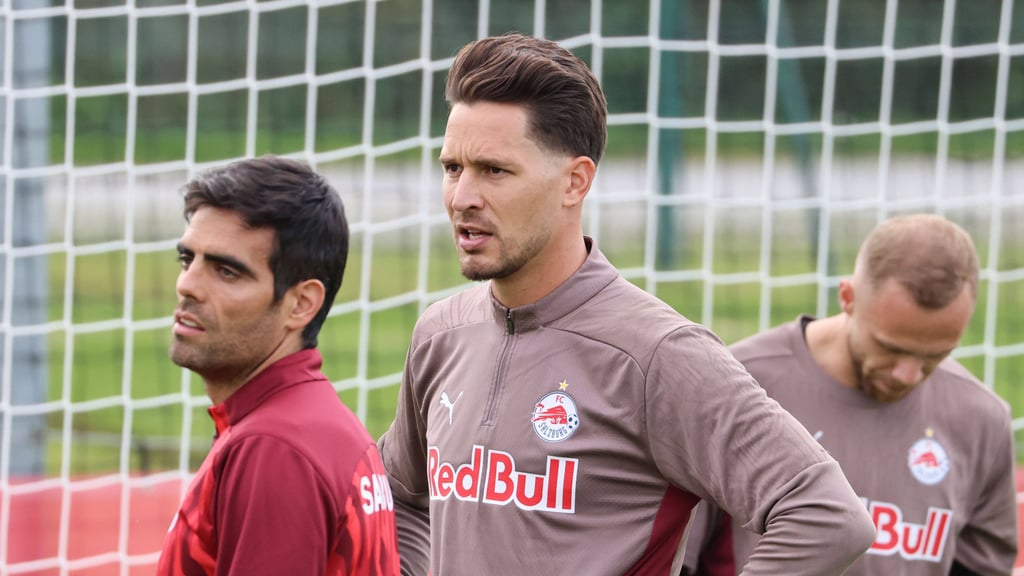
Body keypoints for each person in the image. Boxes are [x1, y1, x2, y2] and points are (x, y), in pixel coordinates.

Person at [375, 32, 876, 575]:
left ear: (575, 181)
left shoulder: (657, 354)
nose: (462, 197)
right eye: (453, 168)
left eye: (495, 171)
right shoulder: (440, 334)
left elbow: (825, 514)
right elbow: (401, 497)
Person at [681, 213, 1019, 575]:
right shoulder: (738, 385)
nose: (908, 374)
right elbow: (678, 556)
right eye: (890, 347)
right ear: (847, 297)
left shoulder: (981, 418)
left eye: (935, 355)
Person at [157, 156, 400, 576]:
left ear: (301, 304)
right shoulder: (311, 423)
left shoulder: (274, 448)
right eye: (187, 260)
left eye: (226, 271)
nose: (188, 284)